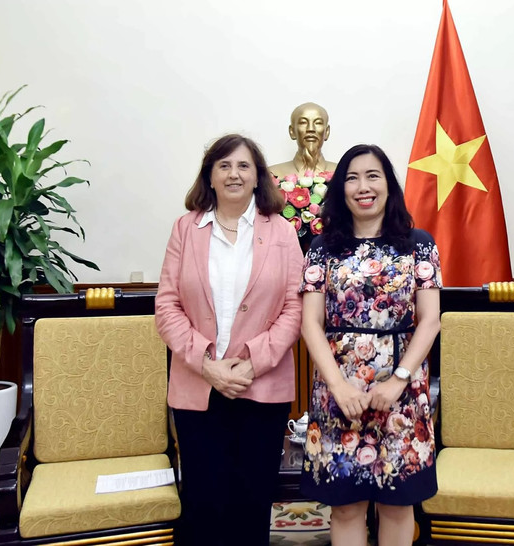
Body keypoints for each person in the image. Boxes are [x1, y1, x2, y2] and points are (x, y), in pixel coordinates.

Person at [155, 134, 305, 546]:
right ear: (210, 176)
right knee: (204, 501)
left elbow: (295, 310)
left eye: (243, 166)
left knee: (252, 500)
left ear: (259, 177)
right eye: (224, 165)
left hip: (262, 386)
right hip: (198, 385)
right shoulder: (185, 229)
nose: (234, 174)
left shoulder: (283, 233)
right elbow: (167, 307)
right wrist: (206, 364)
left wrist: (253, 363)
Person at [299, 144, 442, 545]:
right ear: (341, 189)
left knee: (397, 502)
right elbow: (310, 323)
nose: (363, 186)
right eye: (352, 177)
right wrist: (339, 387)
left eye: (372, 176)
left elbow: (429, 320)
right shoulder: (322, 247)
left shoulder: (418, 243)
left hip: (403, 392)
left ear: (388, 185)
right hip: (338, 389)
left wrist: (398, 380)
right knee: (345, 504)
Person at [269, 102, 338, 178]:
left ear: (327, 132)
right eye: (303, 122)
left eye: (318, 123)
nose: (311, 129)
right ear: (292, 131)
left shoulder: (342, 173)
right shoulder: (272, 174)